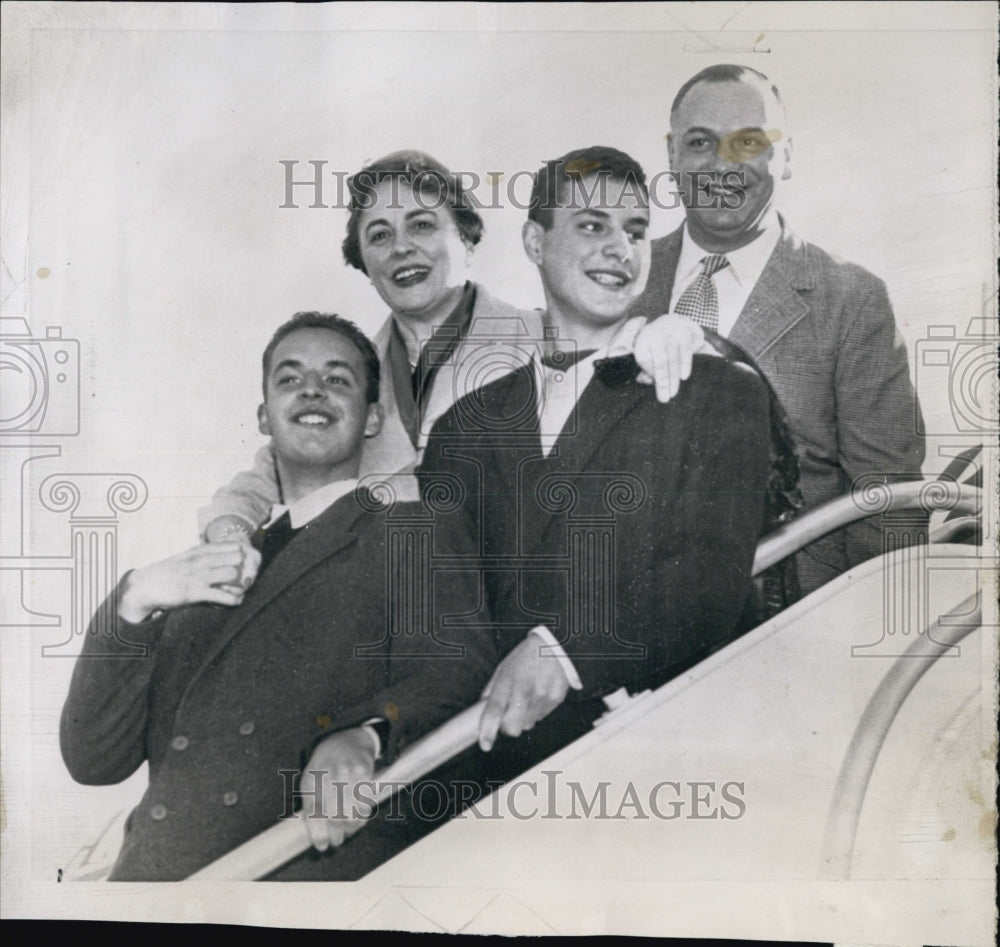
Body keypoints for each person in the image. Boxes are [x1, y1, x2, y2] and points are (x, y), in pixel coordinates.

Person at [60, 312, 496, 881]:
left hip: (296, 879)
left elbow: (458, 670)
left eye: (338, 378)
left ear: (372, 419)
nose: (312, 389)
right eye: (290, 378)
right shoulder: (212, 567)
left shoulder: (412, 526)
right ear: (264, 416)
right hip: (155, 889)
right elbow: (94, 760)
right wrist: (134, 600)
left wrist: (365, 733)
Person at [419, 146, 778, 774]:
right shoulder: (460, 431)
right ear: (535, 241)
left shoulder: (718, 391)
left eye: (636, 231)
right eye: (592, 226)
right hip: (495, 787)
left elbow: (709, 579)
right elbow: (441, 621)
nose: (621, 248)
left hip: (673, 765)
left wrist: (566, 651)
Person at [200, 150, 706, 545]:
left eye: (421, 225)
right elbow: (274, 463)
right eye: (379, 235)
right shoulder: (350, 377)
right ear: (365, 263)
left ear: (465, 238)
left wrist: (664, 332)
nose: (401, 248)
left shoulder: (541, 336)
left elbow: (623, 360)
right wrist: (229, 522)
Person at [627, 64, 926, 594]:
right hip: (628, 618)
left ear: (785, 156)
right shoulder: (622, 279)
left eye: (748, 141)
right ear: (672, 154)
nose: (722, 165)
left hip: (788, 626)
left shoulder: (852, 300)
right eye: (701, 142)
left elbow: (888, 509)